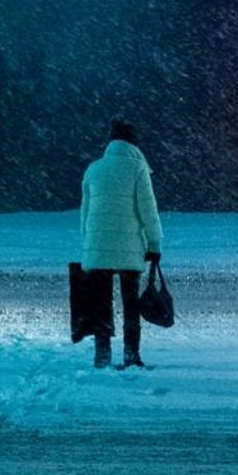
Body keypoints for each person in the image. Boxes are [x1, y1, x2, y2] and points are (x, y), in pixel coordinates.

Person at [80, 118, 163, 369]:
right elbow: (148, 210)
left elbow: (85, 214)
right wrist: (154, 244)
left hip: (98, 248)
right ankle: (131, 355)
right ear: (133, 143)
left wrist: (87, 246)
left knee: (101, 305)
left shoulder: (93, 169)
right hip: (130, 251)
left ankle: (102, 355)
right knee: (131, 306)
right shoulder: (138, 169)